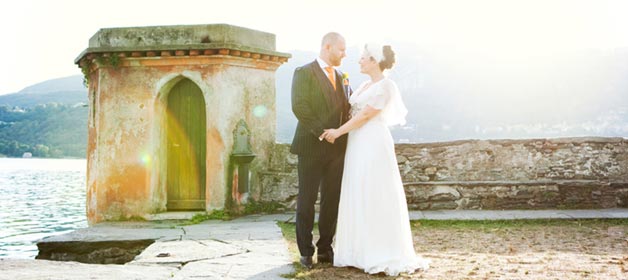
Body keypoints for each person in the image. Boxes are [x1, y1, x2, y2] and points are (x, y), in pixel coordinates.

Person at [322, 44, 430, 276]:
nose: (359, 61)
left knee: (374, 190)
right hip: (357, 143)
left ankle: (379, 251)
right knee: (357, 189)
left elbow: (365, 115)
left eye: (363, 58)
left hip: (372, 141)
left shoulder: (386, 86)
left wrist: (338, 132)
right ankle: (356, 252)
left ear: (374, 61)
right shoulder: (363, 85)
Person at [290, 32, 351, 269]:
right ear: (327, 47)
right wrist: (321, 131)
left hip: (337, 149)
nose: (345, 54)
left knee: (331, 200)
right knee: (306, 200)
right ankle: (306, 251)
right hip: (311, 146)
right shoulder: (303, 72)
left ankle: (326, 248)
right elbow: (299, 106)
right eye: (341, 49)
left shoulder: (343, 76)